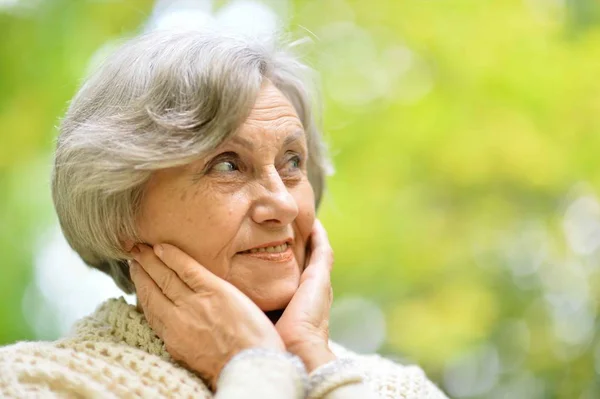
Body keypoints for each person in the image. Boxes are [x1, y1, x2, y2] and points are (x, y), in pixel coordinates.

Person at [0, 29, 448, 398]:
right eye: (228, 165)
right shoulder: (35, 383)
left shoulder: (401, 389)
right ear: (121, 212)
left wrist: (312, 358)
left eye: (293, 162)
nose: (284, 204)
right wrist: (256, 366)